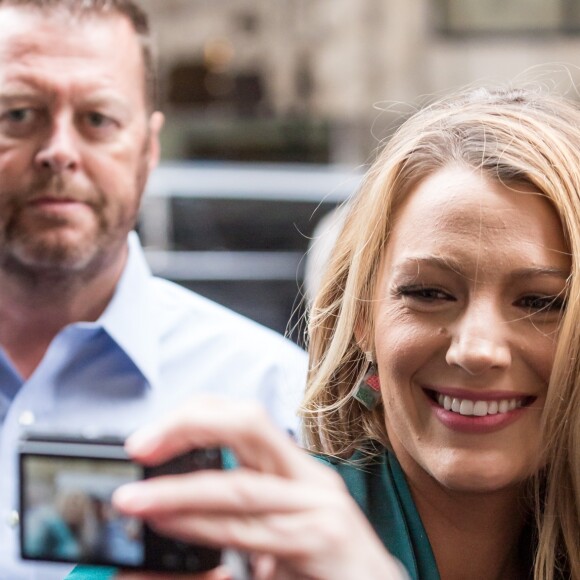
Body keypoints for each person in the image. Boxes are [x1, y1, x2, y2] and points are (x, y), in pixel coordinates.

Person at [71, 85, 580, 580]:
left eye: (541, 302)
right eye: (428, 293)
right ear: (362, 317)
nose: (476, 350)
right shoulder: (221, 531)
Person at [0, 1, 307, 578]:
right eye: (17, 114)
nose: (59, 150)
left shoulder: (277, 403)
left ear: (150, 146)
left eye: (98, 119)